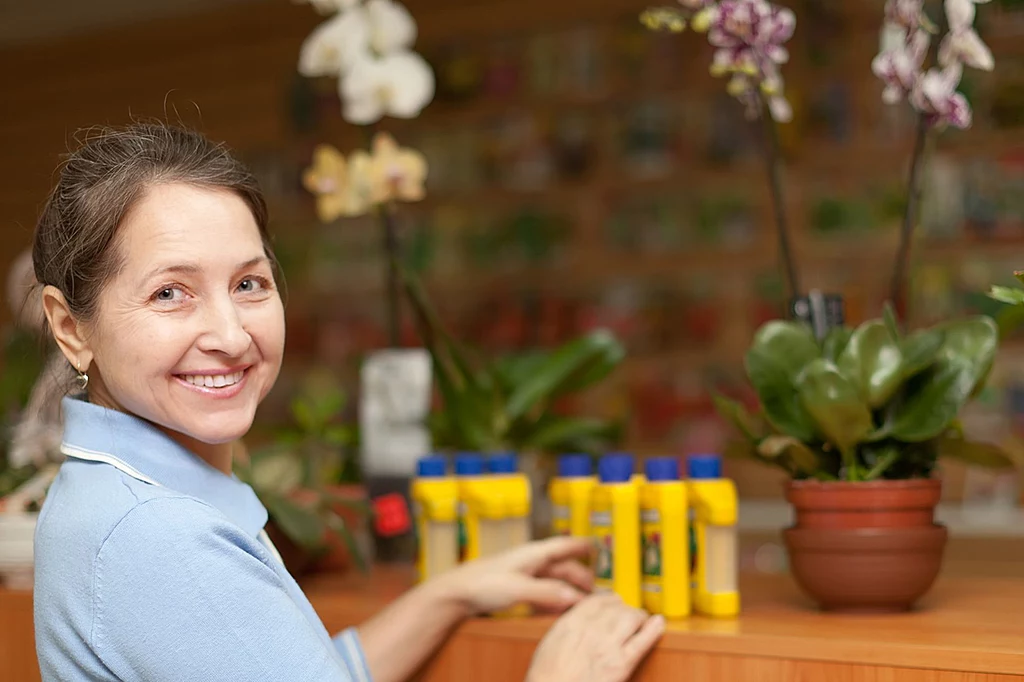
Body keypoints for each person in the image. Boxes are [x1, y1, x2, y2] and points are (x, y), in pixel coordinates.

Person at [29, 122, 665, 682]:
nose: (229, 335)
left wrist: (448, 593)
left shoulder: (114, 495)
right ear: (71, 328)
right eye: (171, 293)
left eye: (249, 283)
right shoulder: (158, 534)